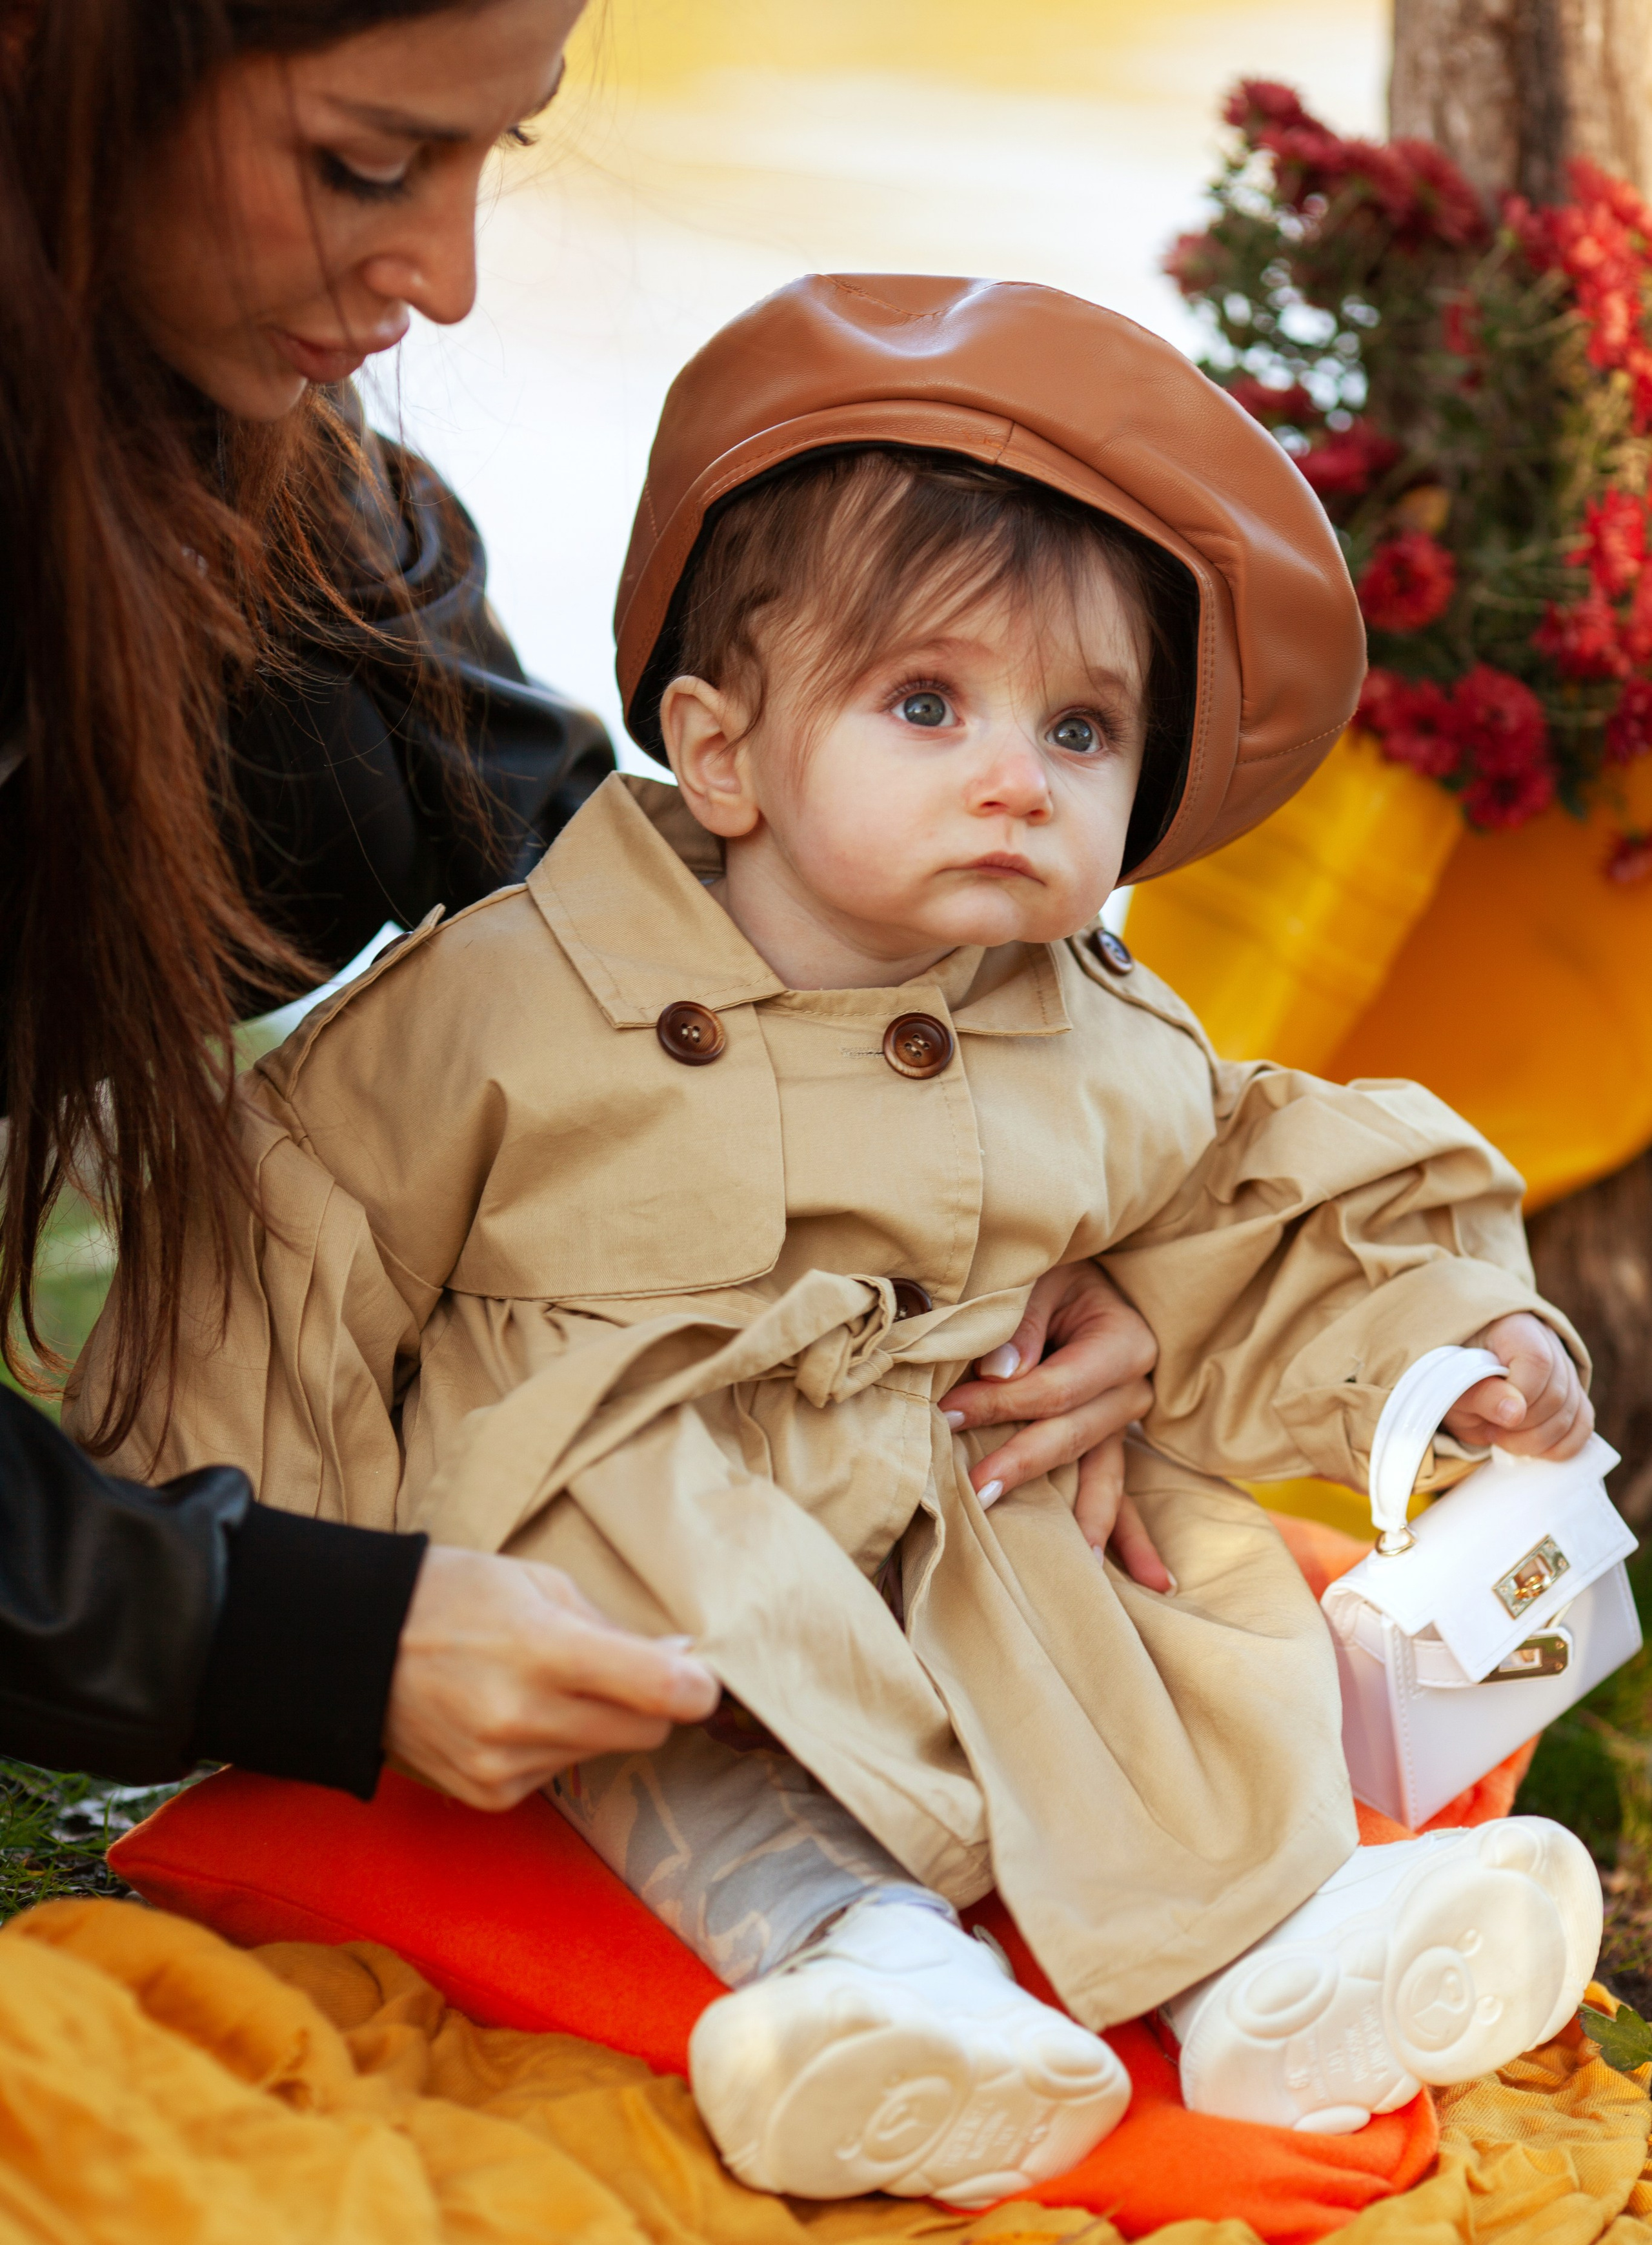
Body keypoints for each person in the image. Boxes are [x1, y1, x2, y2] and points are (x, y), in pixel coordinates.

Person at [72, 272, 1606, 2204]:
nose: (1013, 776)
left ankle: (1277, 1961)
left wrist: (1450, 1348)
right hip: (658, 1531)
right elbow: (299, 1238)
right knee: (675, 1694)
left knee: (1168, 1620)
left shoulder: (1099, 1022)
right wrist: (278, 1573)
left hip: (974, 1507)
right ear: (722, 756)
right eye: (926, 704)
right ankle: (861, 1976)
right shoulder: (518, 995)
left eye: (1080, 728)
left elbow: (1254, 1198)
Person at [0, 1, 1156, 1805]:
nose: (446, 279)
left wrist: (1038, 1169)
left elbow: (591, 866)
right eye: (366, 165)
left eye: (498, 150)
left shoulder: (267, 483)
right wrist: (280, 1629)